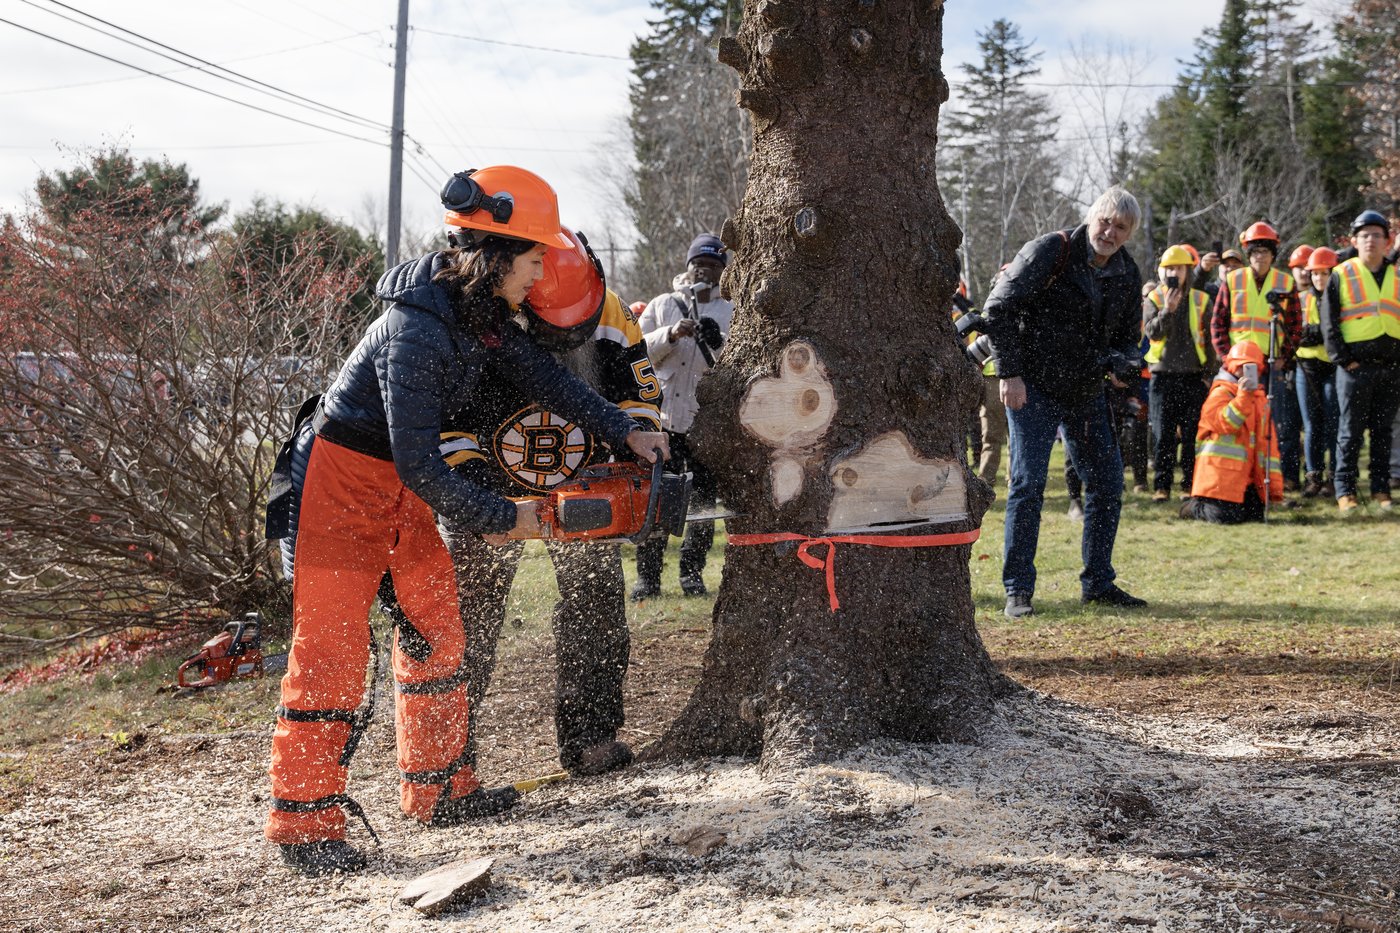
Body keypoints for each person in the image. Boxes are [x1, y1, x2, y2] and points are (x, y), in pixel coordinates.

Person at [263, 166, 669, 876]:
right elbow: (422, 461)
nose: (542, 271)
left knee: (437, 627)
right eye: (535, 257)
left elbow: (550, 381)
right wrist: (502, 515)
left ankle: (439, 787)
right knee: (330, 647)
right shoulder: (415, 330)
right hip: (343, 483)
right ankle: (303, 821)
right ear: (499, 254)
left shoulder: (478, 319)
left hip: (399, 489)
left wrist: (623, 429)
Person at [425, 229, 662, 780]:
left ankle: (591, 734)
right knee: (464, 616)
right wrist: (483, 500)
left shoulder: (610, 312)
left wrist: (637, 444)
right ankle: (446, 752)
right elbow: (444, 422)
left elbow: (640, 392)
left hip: (585, 484)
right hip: (484, 483)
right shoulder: (475, 318)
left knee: (597, 604)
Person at [984, 186, 1147, 619]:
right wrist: (1010, 373)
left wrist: (1126, 362)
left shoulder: (1127, 273)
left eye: (1120, 228)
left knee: (1109, 484)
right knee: (1027, 486)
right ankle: (1018, 590)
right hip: (1032, 387)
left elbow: (1129, 338)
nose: (1109, 232)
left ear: (1129, 234)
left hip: (1086, 391)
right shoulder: (1050, 251)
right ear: (1091, 218)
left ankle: (1098, 584)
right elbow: (998, 309)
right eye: (1105, 222)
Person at [633, 233, 733, 599]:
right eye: (699, 264)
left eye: (713, 266)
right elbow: (637, 354)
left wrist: (718, 340)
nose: (704, 271)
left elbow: (741, 367)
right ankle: (648, 577)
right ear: (687, 266)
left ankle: (692, 573)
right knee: (656, 502)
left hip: (706, 425)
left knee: (703, 505)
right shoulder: (662, 305)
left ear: (723, 272)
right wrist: (670, 335)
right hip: (663, 424)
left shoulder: (731, 310)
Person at [1210, 222, 1302, 491]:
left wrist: (1285, 356)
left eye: (1264, 251)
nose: (1259, 256)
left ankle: (1279, 480)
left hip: (1271, 363)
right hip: (1236, 366)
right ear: (1248, 254)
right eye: (1254, 251)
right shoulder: (1233, 280)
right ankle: (1241, 478)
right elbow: (1218, 323)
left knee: (1276, 422)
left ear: (1273, 253)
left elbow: (1295, 326)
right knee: (1234, 419)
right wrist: (1227, 358)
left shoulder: (1286, 283)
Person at [1321, 210, 1400, 512]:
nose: (1371, 241)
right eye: (1365, 235)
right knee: (1350, 431)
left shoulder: (1396, 274)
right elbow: (1329, 321)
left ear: (1386, 240)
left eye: (1377, 235)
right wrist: (1343, 359)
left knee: (1382, 432)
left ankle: (1381, 489)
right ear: (1354, 241)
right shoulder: (1342, 273)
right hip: (1355, 368)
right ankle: (1345, 490)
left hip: (1391, 367)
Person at [1181, 340, 1283, 523]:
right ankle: (1195, 507)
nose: (1246, 372)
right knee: (1225, 518)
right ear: (1233, 367)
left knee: (1253, 517)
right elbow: (1226, 423)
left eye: (1251, 368)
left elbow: (1269, 445)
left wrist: (1272, 489)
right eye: (1243, 367)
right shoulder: (1220, 393)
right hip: (1217, 480)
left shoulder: (1259, 400)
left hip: (1247, 480)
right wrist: (1244, 397)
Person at [1144, 245, 1213, 502]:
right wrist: (1167, 311)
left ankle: (1189, 485)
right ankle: (1162, 487)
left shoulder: (1202, 299)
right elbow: (1152, 333)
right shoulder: (1154, 299)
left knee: (1192, 435)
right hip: (1162, 377)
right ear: (1161, 272)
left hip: (1194, 377)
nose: (1174, 272)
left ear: (1188, 271)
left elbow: (1211, 340)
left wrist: (1208, 374)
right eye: (1169, 268)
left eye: (1179, 268)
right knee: (1163, 435)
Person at [1295, 246, 1341, 497]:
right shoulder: (1301, 300)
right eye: (1314, 274)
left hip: (1333, 366)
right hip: (1306, 367)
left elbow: (1337, 332)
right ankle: (1313, 477)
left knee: (1335, 423)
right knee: (1312, 425)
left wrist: (1315, 333)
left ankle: (1335, 477)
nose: (1318, 279)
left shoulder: (1340, 297)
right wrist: (1320, 333)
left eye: (1324, 274)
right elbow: (1297, 335)